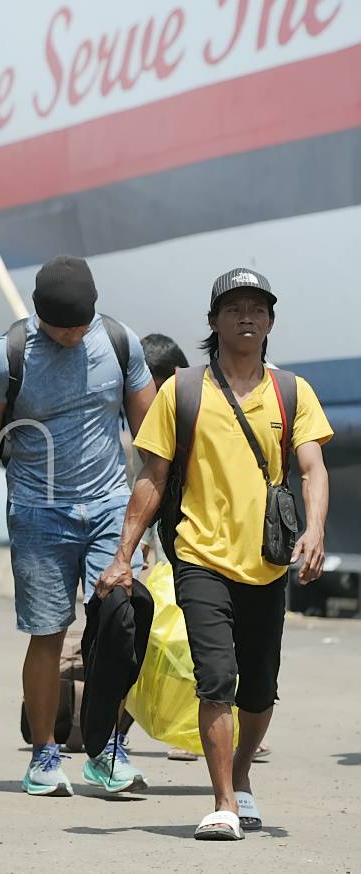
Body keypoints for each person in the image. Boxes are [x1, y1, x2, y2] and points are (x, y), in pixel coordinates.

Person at [97, 268, 332, 841]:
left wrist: (315, 530)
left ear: (270, 321)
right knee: (216, 680)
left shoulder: (292, 392)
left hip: (266, 563)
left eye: (257, 308)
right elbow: (151, 478)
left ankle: (242, 774)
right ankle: (224, 800)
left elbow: (312, 468)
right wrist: (123, 554)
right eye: (234, 309)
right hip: (199, 557)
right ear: (214, 322)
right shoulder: (182, 391)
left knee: (258, 689)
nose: (246, 317)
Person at [0, 255, 157, 797]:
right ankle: (43, 753)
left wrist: (151, 521)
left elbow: (153, 436)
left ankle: (108, 748)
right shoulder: (7, 357)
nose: (72, 335)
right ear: (39, 315)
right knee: (47, 636)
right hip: (40, 515)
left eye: (80, 325)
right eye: (61, 326)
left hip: (112, 508)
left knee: (120, 629)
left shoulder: (119, 343)